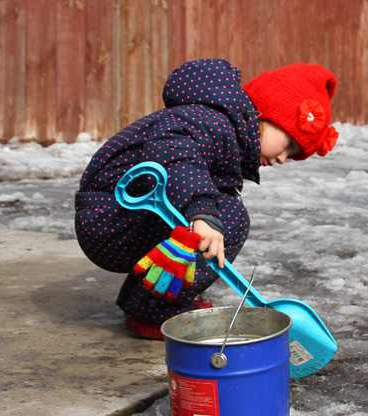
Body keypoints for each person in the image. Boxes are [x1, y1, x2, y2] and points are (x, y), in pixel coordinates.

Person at [74, 58, 339, 339]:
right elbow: (175, 152)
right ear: (267, 115)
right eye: (290, 145)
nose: (284, 159)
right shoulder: (213, 122)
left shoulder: (220, 124)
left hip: (118, 218)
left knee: (221, 211)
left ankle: (146, 297)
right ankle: (152, 310)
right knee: (229, 217)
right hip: (114, 215)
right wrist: (201, 212)